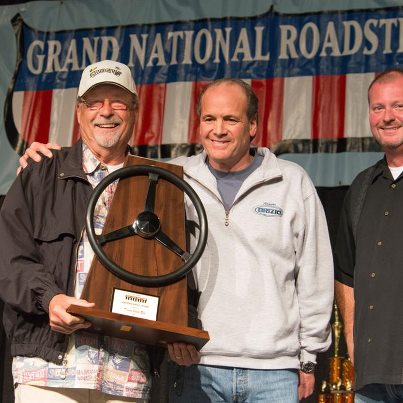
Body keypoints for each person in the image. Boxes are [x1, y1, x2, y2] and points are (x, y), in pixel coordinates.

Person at [20, 77, 334, 402]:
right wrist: (47, 159)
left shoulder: (291, 181)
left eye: (231, 119)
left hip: (274, 371)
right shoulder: (167, 178)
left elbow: (314, 273)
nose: (219, 130)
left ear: (253, 125)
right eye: (209, 119)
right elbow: (140, 252)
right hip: (196, 365)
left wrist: (308, 357)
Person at [0, 60, 157, 402]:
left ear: (134, 109)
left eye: (118, 102)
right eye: (95, 102)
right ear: (79, 111)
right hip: (46, 370)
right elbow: (9, 258)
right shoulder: (40, 174)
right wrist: (50, 298)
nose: (106, 112)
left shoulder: (156, 184)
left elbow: (172, 273)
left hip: (125, 374)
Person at [334, 69, 403, 403]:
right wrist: (351, 338)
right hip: (371, 381)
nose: (387, 117)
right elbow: (346, 275)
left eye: (398, 106)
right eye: (378, 108)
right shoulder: (361, 187)